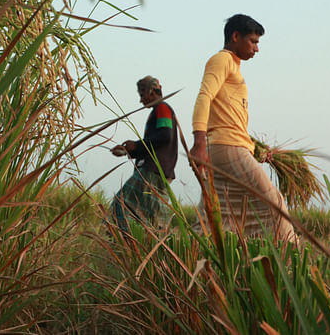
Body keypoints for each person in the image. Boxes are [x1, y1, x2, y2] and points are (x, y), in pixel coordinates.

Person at [190, 14, 296, 242]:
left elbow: (229, 118)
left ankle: (189, 260)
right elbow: (204, 97)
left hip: (226, 146)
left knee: (215, 216)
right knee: (273, 204)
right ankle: (287, 258)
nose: (257, 49)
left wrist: (255, 148)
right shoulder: (222, 60)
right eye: (253, 41)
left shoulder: (234, 67)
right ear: (235, 36)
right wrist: (198, 144)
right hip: (226, 147)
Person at [109, 76, 178, 232]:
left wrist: (136, 145)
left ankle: (125, 242)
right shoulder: (160, 110)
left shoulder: (162, 108)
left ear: (152, 91)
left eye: (142, 94)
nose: (141, 100)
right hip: (158, 171)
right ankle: (149, 247)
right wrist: (130, 150)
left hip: (152, 171)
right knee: (150, 215)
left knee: (121, 205)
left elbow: (165, 136)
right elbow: (157, 141)